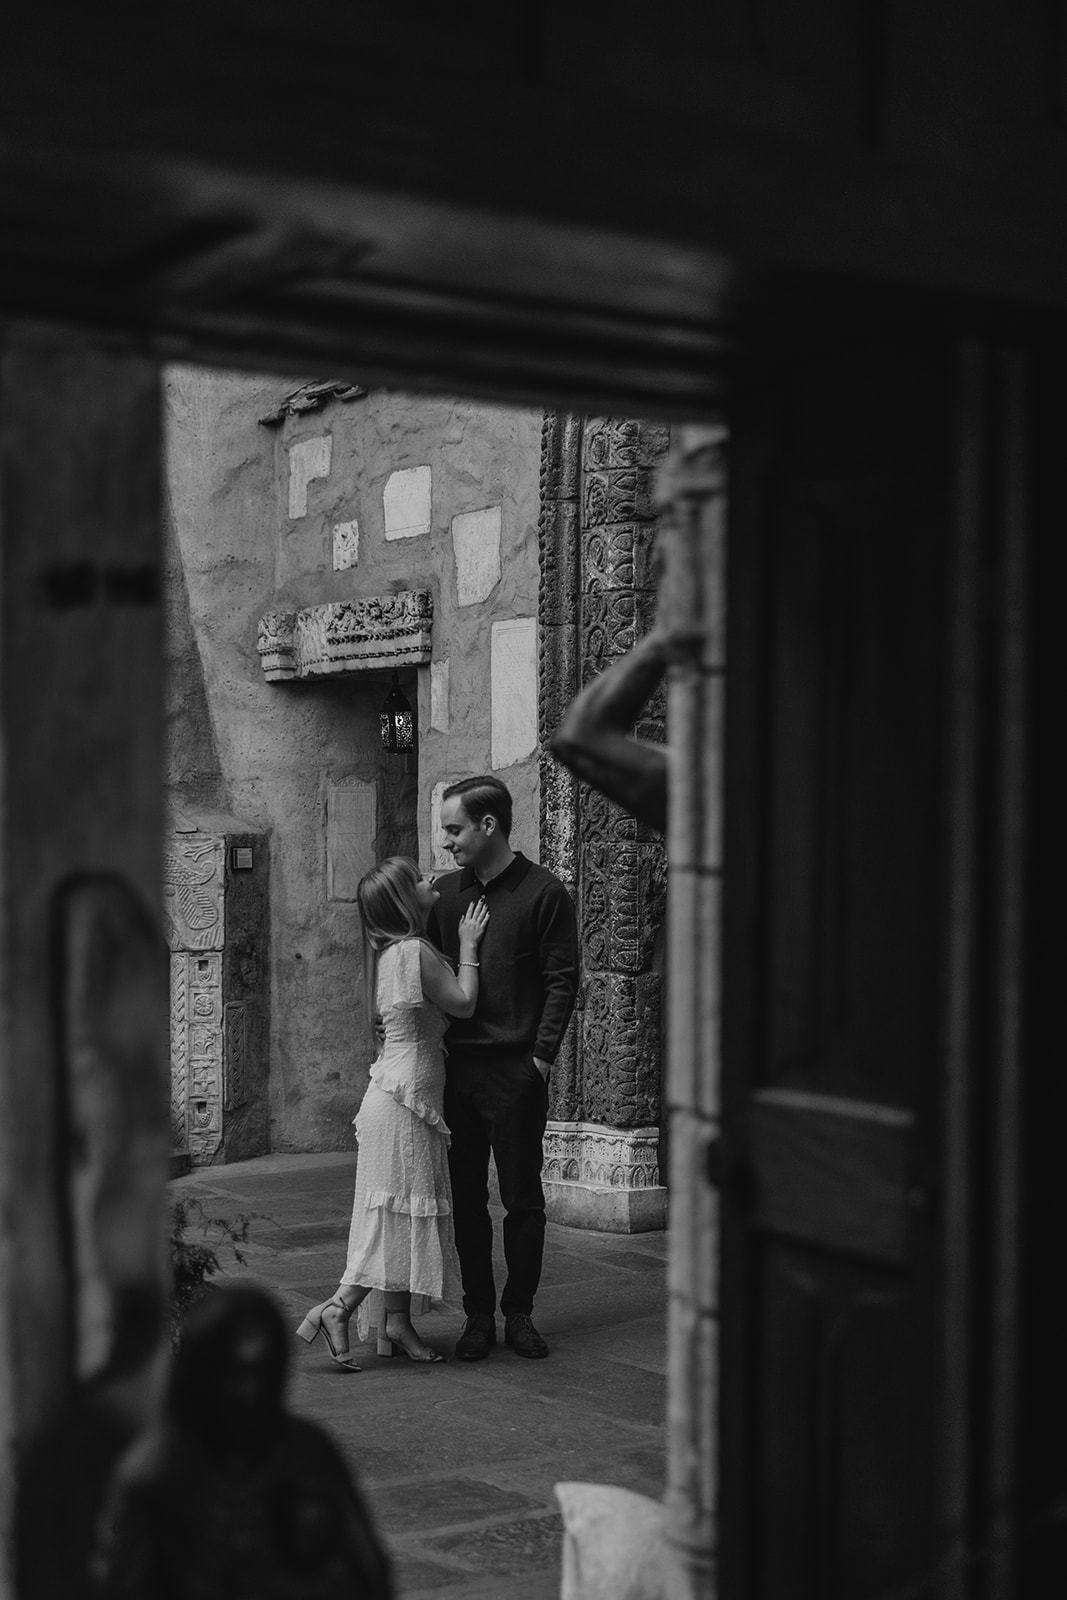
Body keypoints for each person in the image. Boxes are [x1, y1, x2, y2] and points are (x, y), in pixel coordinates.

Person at [296, 857, 488, 1367]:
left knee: (395, 1210)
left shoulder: (385, 954)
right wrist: (469, 947)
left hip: (398, 1097)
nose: (431, 881)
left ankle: (398, 1321)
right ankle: (338, 1307)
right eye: (419, 878)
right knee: (393, 1213)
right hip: (406, 1104)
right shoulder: (414, 951)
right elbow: (464, 1003)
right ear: (407, 898)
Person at [428, 776, 579, 1361]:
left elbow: (561, 983)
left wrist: (538, 1062)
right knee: (465, 1199)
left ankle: (519, 1313)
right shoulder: (444, 895)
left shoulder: (544, 892)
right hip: (457, 1072)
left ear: (489, 826)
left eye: (454, 828)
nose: (447, 841)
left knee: (523, 1200)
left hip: (517, 1072)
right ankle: (476, 1316)